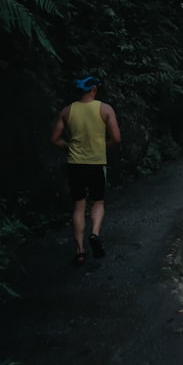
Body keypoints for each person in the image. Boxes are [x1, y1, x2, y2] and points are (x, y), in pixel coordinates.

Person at [50, 75, 121, 264]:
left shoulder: (67, 111)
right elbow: (116, 138)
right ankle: (95, 234)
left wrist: (68, 146)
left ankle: (80, 250)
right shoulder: (105, 109)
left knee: (79, 206)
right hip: (96, 163)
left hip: (75, 164)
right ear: (94, 90)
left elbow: (55, 138)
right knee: (97, 203)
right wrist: (102, 146)